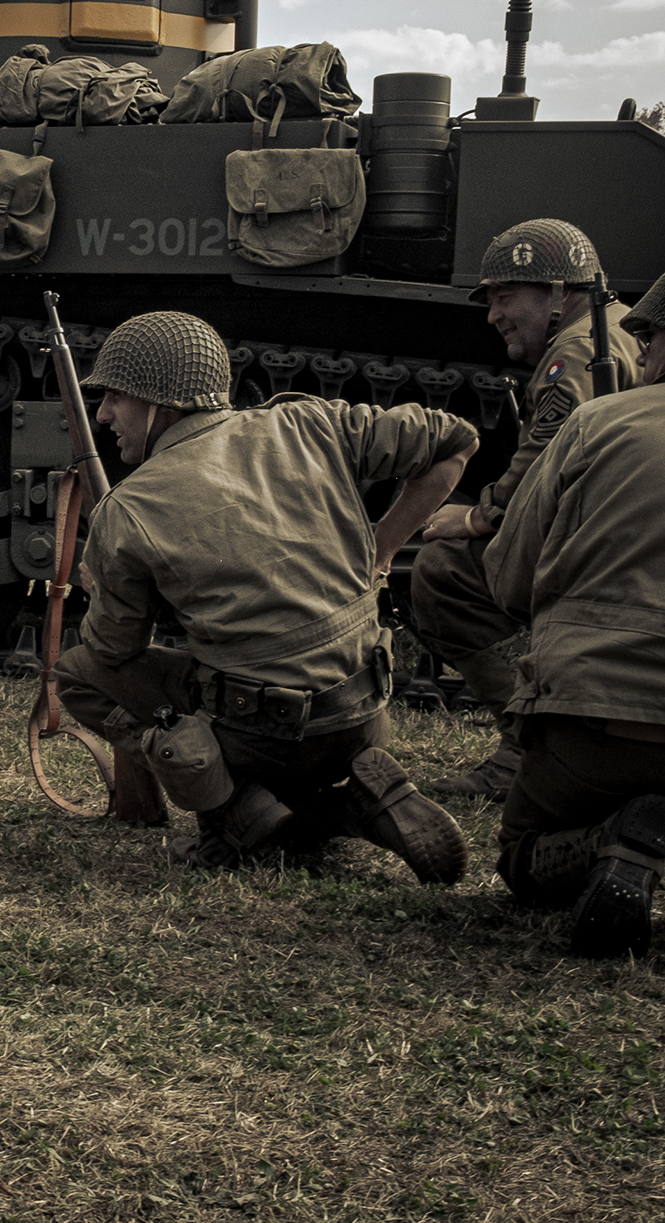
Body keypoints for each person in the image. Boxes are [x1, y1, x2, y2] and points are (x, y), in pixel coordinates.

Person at [56, 311, 474, 879]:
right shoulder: (309, 423)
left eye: (115, 396)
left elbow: (112, 649)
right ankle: (364, 804)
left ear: (161, 401)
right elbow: (455, 441)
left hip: (263, 736)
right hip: (364, 710)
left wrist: (101, 585)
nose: (103, 414)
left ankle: (234, 808)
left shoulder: (129, 507)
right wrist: (381, 548)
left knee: (76, 672)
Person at [412, 219, 639, 799]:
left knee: (443, 572)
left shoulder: (577, 354)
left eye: (506, 297)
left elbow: (545, 457)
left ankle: (527, 745)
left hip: (601, 549)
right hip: (623, 536)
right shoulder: (620, 327)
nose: (494, 315)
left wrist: (479, 516)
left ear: (559, 293)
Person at [484, 270, 665, 957]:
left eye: (648, 339)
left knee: (521, 856)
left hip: (594, 721)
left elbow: (509, 576)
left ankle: (615, 840)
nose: (641, 354)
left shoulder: (597, 421)